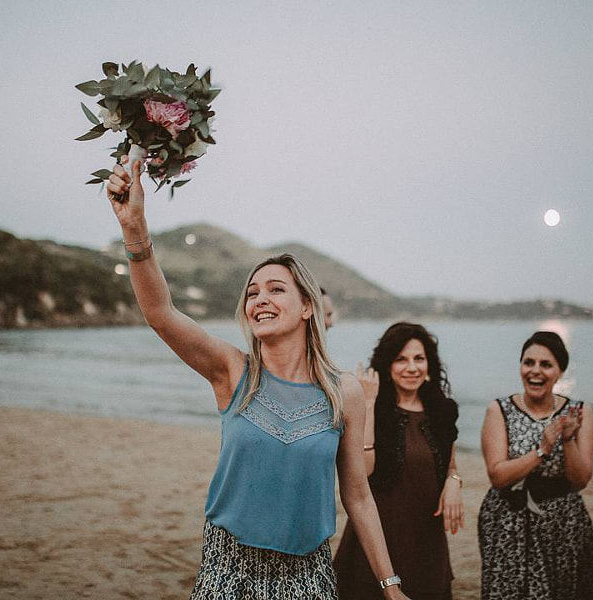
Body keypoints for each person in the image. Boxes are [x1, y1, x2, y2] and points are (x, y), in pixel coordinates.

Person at [106, 159, 410, 600]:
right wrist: (135, 229)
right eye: (253, 292)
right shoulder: (233, 372)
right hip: (229, 571)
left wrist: (391, 585)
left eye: (276, 289)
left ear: (308, 307)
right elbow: (160, 313)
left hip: (308, 577)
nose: (260, 299)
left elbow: (358, 496)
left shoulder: (342, 392)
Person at [333, 322, 462, 599]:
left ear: (430, 363)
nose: (412, 368)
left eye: (419, 358)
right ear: (387, 365)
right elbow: (364, 471)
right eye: (401, 359)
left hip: (427, 541)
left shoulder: (442, 409)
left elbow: (450, 466)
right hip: (380, 537)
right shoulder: (373, 407)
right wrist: (368, 402)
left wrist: (454, 482)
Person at [478, 331, 593, 600]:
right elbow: (498, 477)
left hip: (563, 522)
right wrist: (542, 449)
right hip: (508, 521)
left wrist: (568, 439)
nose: (535, 371)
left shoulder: (579, 412)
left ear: (560, 372)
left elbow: (580, 480)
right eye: (528, 362)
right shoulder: (499, 410)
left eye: (546, 365)